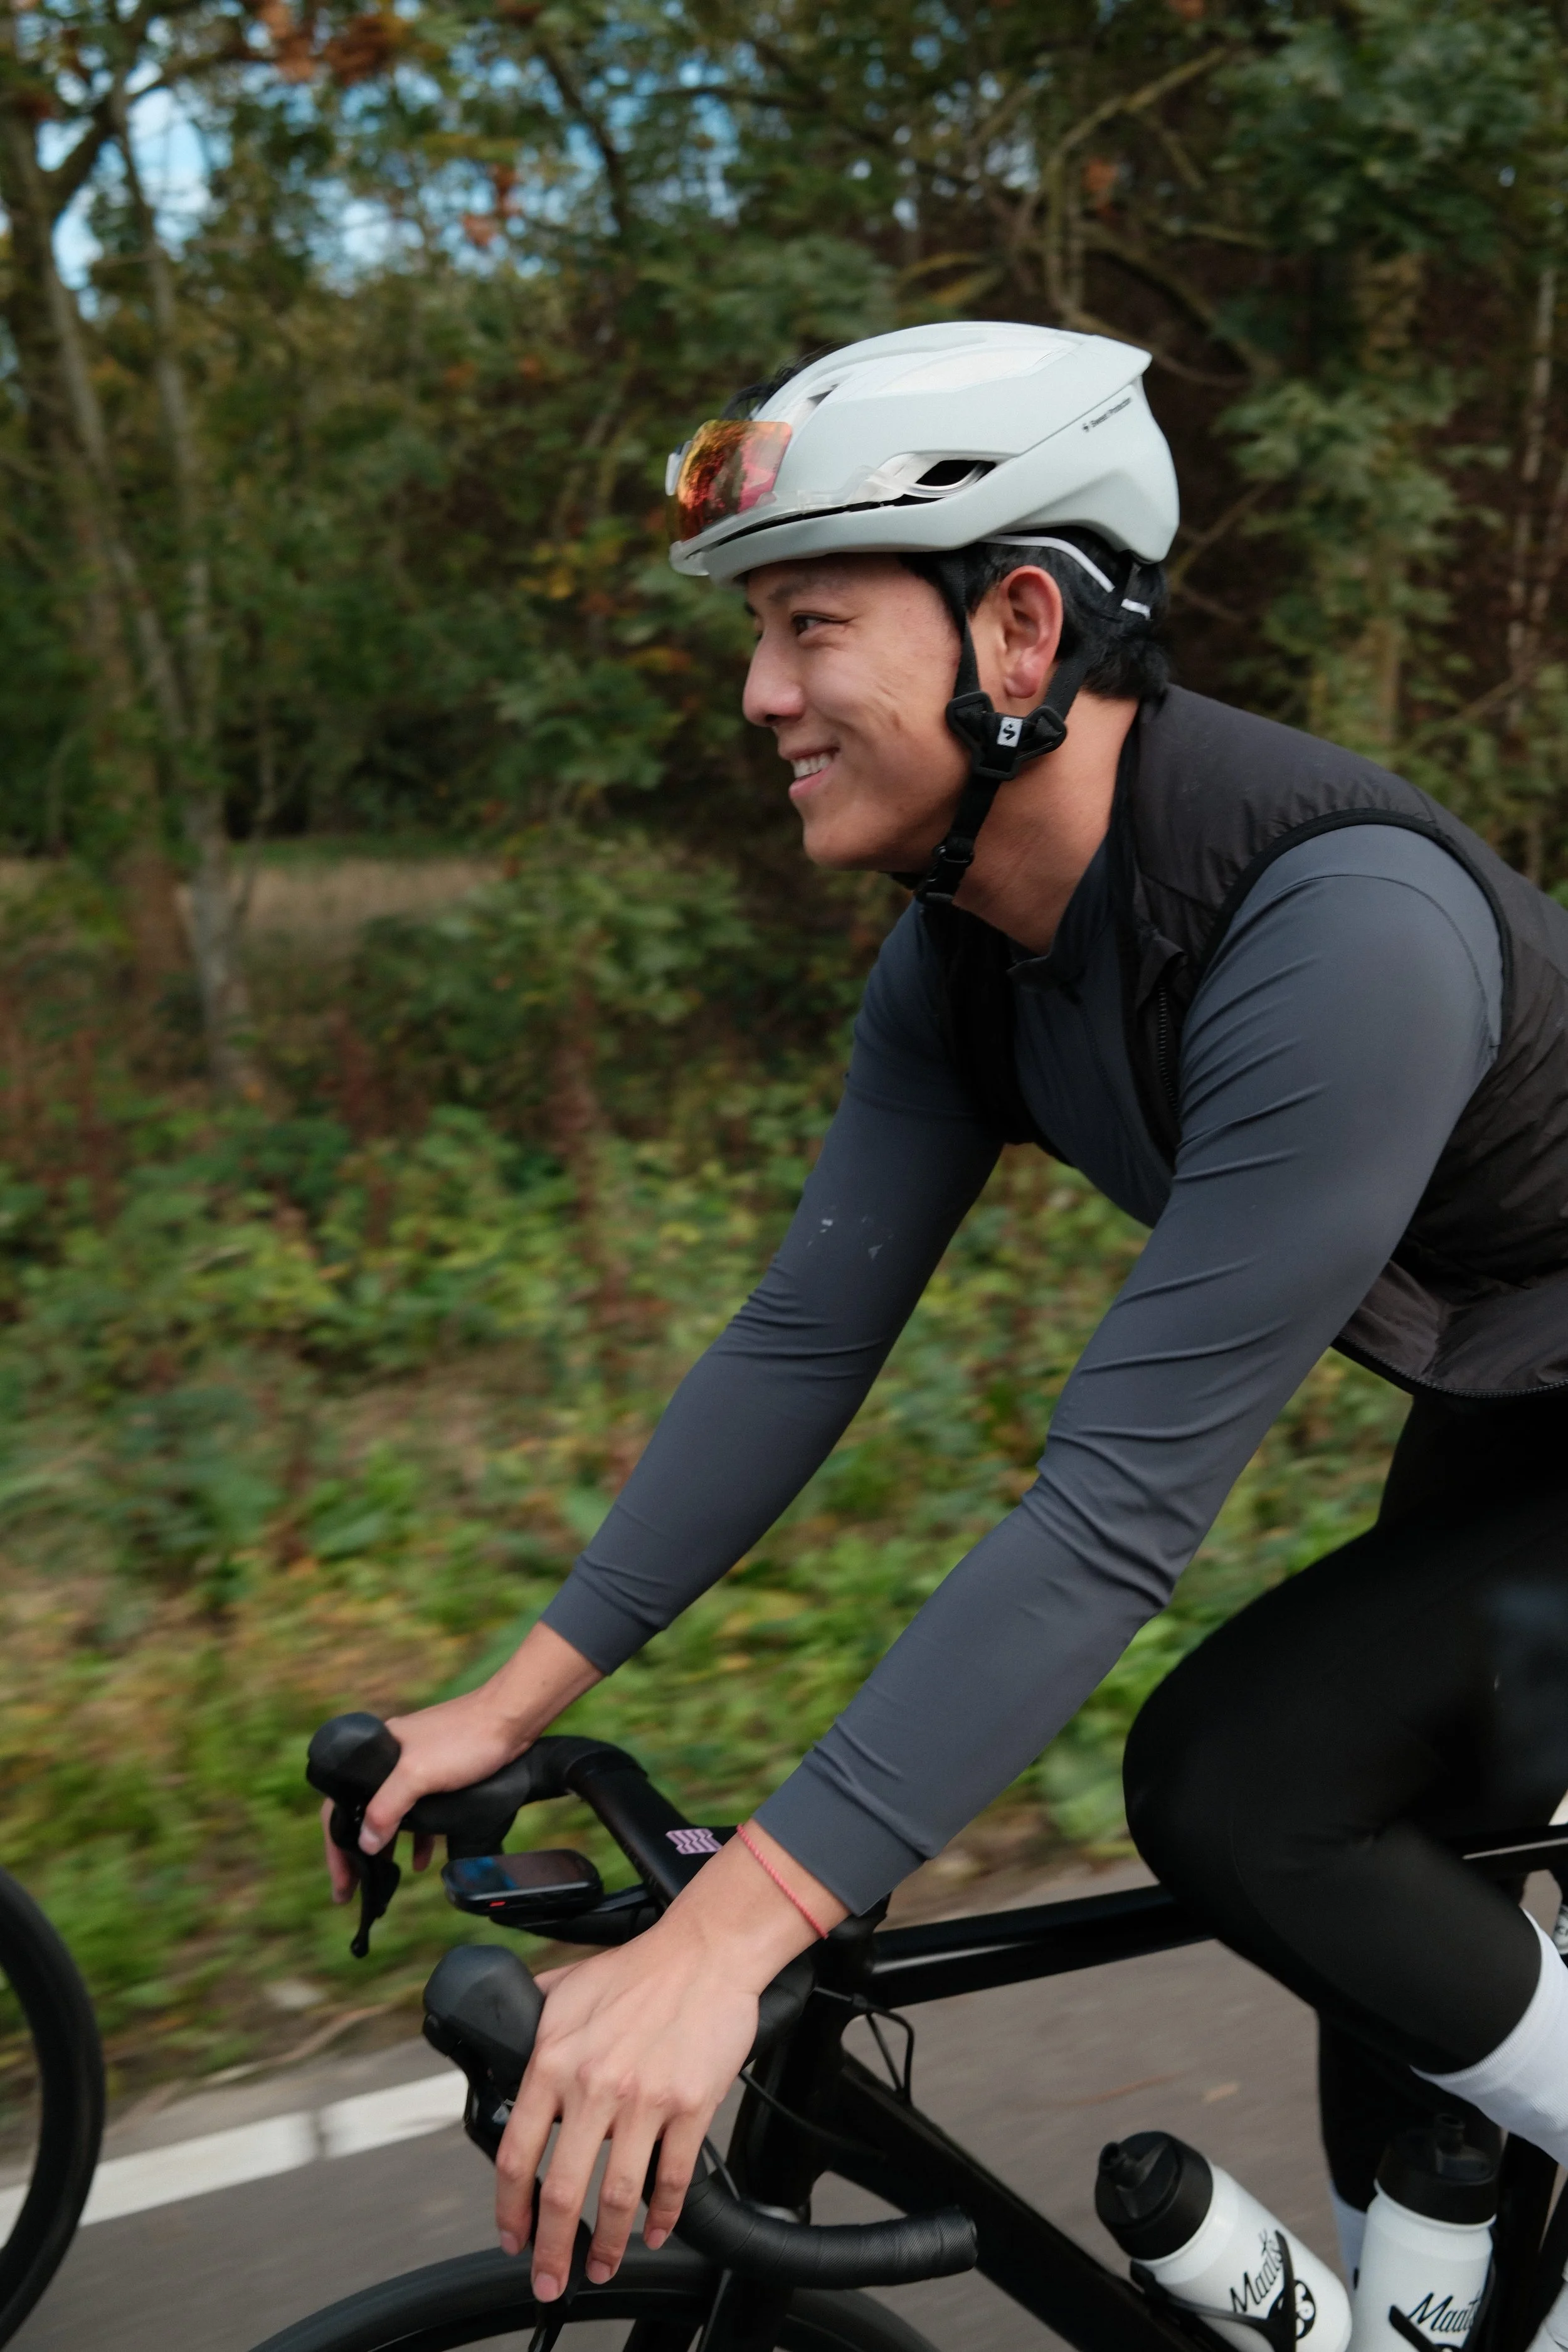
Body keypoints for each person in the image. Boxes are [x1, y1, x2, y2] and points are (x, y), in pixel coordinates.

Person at [324, 320, 1568, 2312]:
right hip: (1526, 1387)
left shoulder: (1339, 930)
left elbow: (1113, 1507)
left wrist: (730, 1932)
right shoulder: (968, 951)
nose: (760, 692)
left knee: (1247, 1783)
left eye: (810, 625)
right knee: (1383, 1962)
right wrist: (512, 1695)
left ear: (1017, 627)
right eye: (760, 635)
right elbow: (800, 1340)